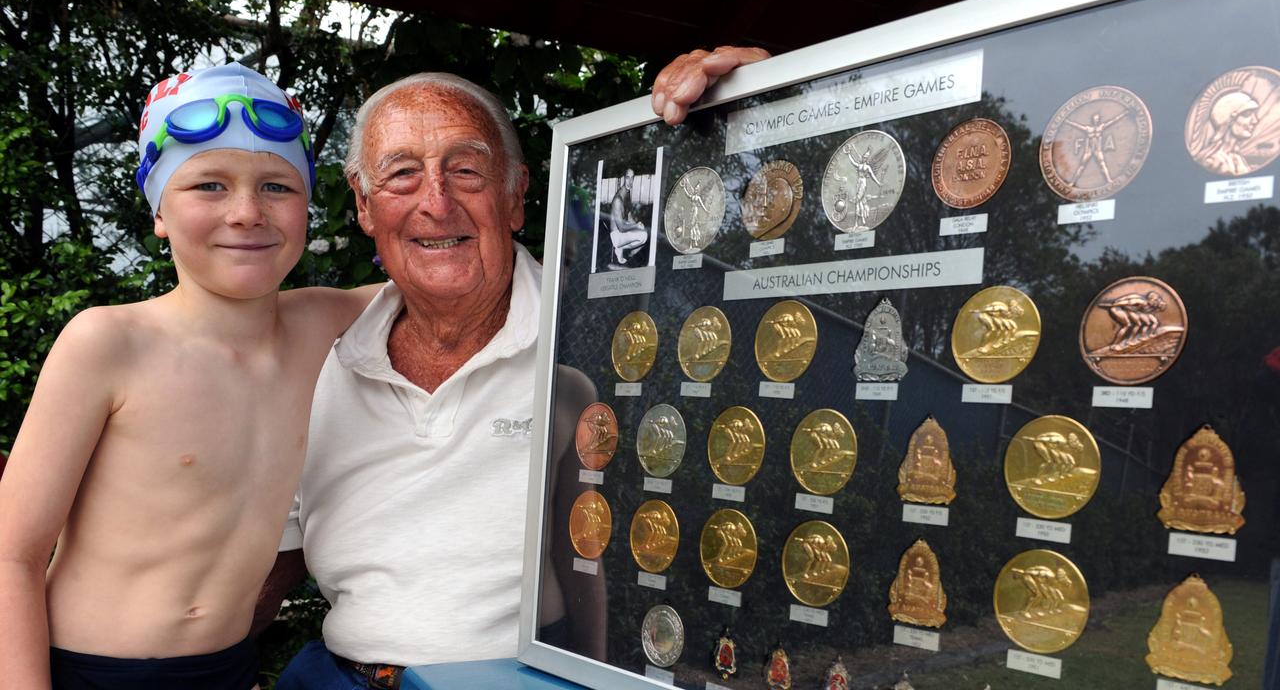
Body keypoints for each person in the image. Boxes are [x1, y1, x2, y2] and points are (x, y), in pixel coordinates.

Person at [263, 46, 769, 689]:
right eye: (401, 176)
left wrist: (771, 107)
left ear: (516, 195)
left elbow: (600, 564)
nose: (436, 202)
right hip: (338, 676)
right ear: (364, 206)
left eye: (467, 170)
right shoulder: (320, 354)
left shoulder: (597, 340)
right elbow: (270, 558)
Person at [0, 63, 380, 689]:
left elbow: (452, 283)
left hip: (229, 669)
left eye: (277, 188)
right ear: (157, 213)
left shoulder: (322, 323)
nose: (246, 212)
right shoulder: (109, 343)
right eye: (208, 185)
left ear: (309, 207)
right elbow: (13, 556)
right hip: (88, 672)